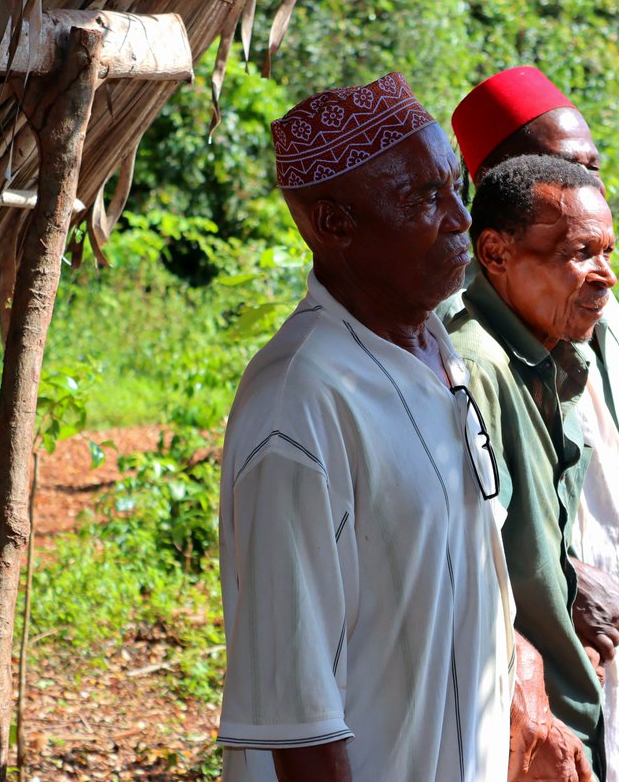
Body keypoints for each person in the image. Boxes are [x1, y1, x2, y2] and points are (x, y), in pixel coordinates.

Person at [218, 72, 532, 781]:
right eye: (424, 197)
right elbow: (298, 720)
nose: (459, 217)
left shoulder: (434, 347)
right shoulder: (299, 402)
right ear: (335, 224)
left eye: (455, 186)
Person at [450, 67, 619, 781]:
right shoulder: (471, 343)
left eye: (591, 166)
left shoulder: (596, 300)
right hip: (547, 639)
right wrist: (560, 580)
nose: (586, 182)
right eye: (561, 168)